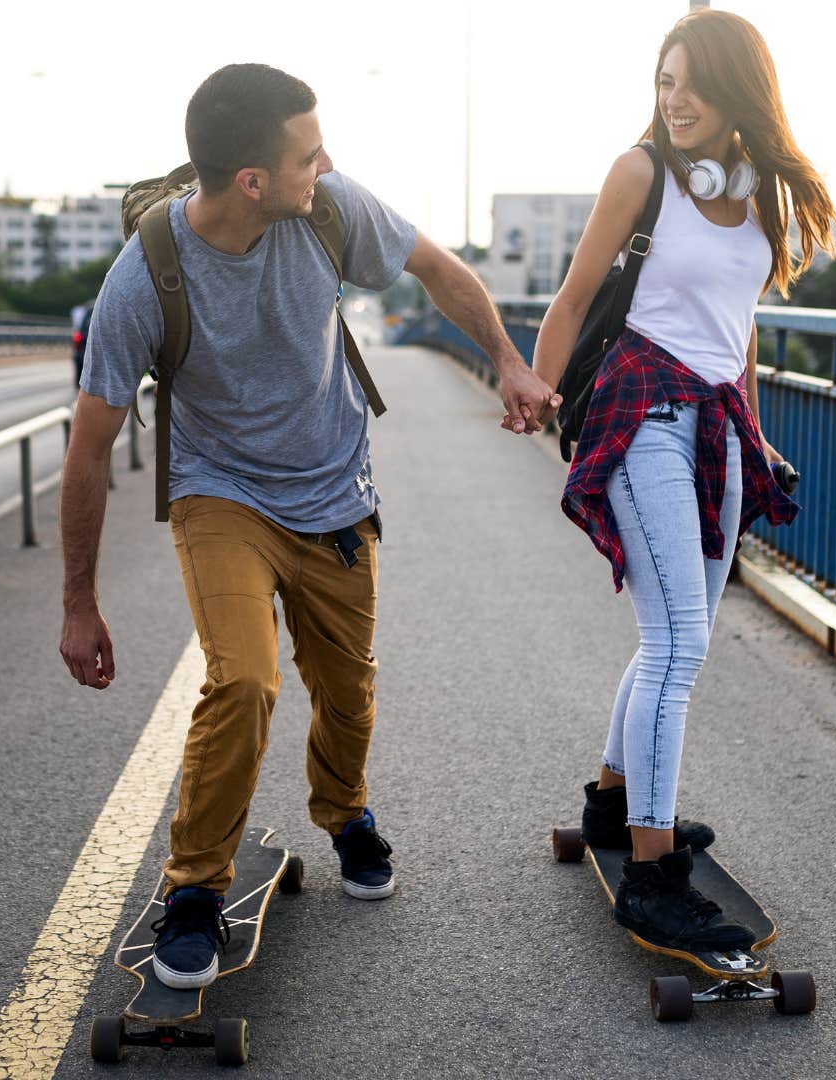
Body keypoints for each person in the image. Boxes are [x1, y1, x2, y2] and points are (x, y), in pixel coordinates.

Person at [58, 63, 553, 990]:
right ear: (252, 181)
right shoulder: (146, 275)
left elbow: (440, 271)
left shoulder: (330, 208)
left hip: (333, 491)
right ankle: (194, 888)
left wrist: (509, 362)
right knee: (244, 680)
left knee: (348, 688)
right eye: (306, 154)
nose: (324, 163)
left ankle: (346, 812)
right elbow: (88, 448)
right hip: (221, 495)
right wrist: (78, 604)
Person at [527, 10, 835, 953]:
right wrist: (537, 391)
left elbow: (739, 330)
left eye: (694, 82)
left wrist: (757, 431)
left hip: (718, 425)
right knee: (680, 645)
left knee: (676, 630)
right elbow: (576, 296)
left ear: (742, 88)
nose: (676, 99)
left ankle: (615, 808)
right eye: (665, 81)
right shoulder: (641, 172)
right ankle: (653, 873)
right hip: (643, 411)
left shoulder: (765, 193)